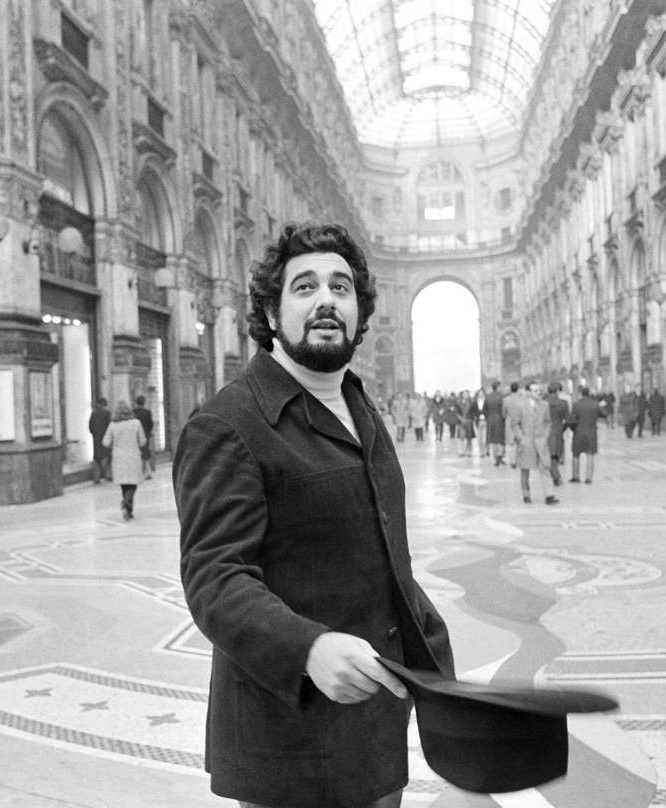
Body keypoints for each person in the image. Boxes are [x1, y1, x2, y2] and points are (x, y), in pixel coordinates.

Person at [174, 222, 454, 808]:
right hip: (289, 737)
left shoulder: (360, 409)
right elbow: (215, 579)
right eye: (304, 287)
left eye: (341, 287)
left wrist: (438, 678)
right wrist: (307, 647)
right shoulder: (228, 424)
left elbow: (384, 558)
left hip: (374, 720)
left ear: (359, 314)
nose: (326, 298)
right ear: (272, 315)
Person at [511, 381, 558, 505]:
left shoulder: (545, 405)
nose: (538, 393)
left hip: (541, 442)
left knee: (545, 467)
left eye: (539, 390)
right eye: (535, 390)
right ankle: (526, 495)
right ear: (528, 392)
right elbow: (515, 424)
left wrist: (546, 435)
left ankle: (549, 495)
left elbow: (548, 422)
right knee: (525, 470)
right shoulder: (519, 405)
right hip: (526, 443)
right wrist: (521, 438)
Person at [102, 400, 146, 519]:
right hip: (133, 455)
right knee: (133, 483)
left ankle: (128, 508)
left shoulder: (112, 425)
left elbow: (105, 442)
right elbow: (143, 441)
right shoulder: (136, 423)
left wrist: (114, 445)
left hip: (118, 457)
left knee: (124, 484)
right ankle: (127, 503)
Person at [566, 385, 601, 484]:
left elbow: (572, 420)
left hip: (578, 432)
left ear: (581, 394)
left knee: (576, 454)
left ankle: (575, 476)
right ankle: (588, 478)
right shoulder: (595, 404)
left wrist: (572, 429)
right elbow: (604, 413)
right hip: (591, 433)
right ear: (590, 394)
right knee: (590, 455)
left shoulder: (576, 404)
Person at [545, 382, 569, 487]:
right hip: (558, 430)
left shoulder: (542, 403)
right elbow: (568, 419)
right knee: (555, 455)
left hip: (545, 432)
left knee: (548, 455)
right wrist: (563, 428)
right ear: (558, 391)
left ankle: (555, 475)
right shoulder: (563, 404)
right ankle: (556, 475)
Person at [88, 397, 112, 483]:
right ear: (104, 404)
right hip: (105, 438)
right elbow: (110, 426)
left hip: (96, 438)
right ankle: (107, 475)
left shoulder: (93, 414)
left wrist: (94, 433)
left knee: (96, 458)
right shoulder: (107, 413)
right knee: (107, 457)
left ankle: (96, 477)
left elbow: (90, 426)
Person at [482, 380, 505, 464]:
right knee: (501, 439)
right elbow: (504, 409)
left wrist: (488, 417)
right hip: (500, 419)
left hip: (490, 420)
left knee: (493, 440)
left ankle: (496, 458)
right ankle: (500, 455)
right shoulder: (502, 396)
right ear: (498, 387)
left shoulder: (488, 397)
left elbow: (484, 410)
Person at [501, 381, 523, 467]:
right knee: (520, 442)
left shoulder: (506, 400)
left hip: (509, 422)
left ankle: (512, 461)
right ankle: (519, 460)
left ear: (511, 389)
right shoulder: (522, 399)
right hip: (520, 421)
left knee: (510, 443)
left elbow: (503, 413)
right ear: (518, 389)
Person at [134, 395, 156, 479]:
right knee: (145, 454)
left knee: (137, 453)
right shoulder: (147, 412)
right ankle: (147, 473)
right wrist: (148, 432)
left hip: (135, 435)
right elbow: (150, 423)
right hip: (145, 434)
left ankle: (139, 472)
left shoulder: (134, 412)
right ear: (144, 402)